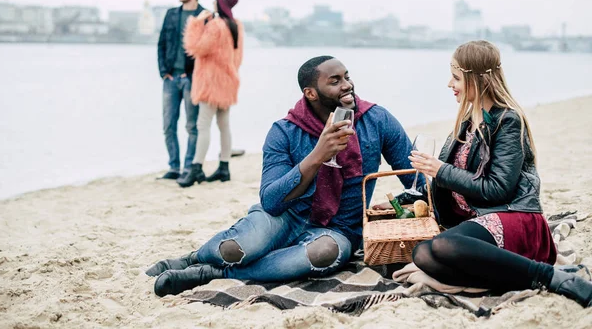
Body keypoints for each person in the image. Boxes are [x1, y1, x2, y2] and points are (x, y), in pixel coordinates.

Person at [146, 56, 424, 297]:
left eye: (347, 77)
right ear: (311, 93)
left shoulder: (376, 119)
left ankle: (212, 274)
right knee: (235, 248)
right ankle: (193, 258)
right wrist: (318, 155)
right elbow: (271, 201)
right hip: (286, 216)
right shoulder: (284, 131)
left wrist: (399, 203)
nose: (347, 85)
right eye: (335, 80)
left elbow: (416, 178)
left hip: (339, 229)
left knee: (324, 253)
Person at [375, 40, 592, 308]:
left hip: (514, 217)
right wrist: (405, 199)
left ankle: (551, 276)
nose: (449, 84)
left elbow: (498, 188)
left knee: (443, 247)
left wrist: (440, 170)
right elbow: (449, 180)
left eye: (456, 78)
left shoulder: (508, 121)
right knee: (422, 254)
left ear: (477, 79)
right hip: (479, 221)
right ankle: (516, 274)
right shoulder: (468, 121)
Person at [177, 0, 243, 187]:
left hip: (211, 83)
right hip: (228, 81)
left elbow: (195, 48)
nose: (213, 1)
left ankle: (196, 168)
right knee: (224, 125)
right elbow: (238, 57)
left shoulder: (216, 25)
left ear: (221, 3)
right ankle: (224, 167)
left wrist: (196, 23)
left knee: (202, 125)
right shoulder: (236, 25)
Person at [157, 0, 205, 180]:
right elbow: (161, 44)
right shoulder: (171, 14)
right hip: (170, 78)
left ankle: (188, 168)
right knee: (168, 125)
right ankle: (174, 167)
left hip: (192, 79)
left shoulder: (204, 16)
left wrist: (193, 72)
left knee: (191, 126)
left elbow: (205, 49)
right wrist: (163, 71)